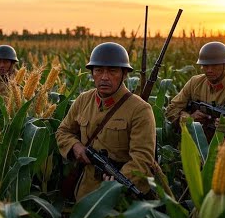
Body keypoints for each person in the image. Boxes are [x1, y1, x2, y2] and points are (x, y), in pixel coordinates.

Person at [55, 42, 156, 202]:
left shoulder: (140, 109)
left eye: (112, 71)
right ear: (92, 73)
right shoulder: (83, 100)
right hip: (85, 190)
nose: (104, 77)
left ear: (124, 74)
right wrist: (76, 146)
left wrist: (120, 180)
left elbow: (142, 158)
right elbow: (63, 131)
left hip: (124, 196)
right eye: (99, 70)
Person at [165, 41, 225, 142]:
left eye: (215, 65)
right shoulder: (195, 83)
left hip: (224, 151)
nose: (209, 70)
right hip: (193, 145)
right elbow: (171, 110)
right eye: (206, 66)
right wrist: (189, 119)